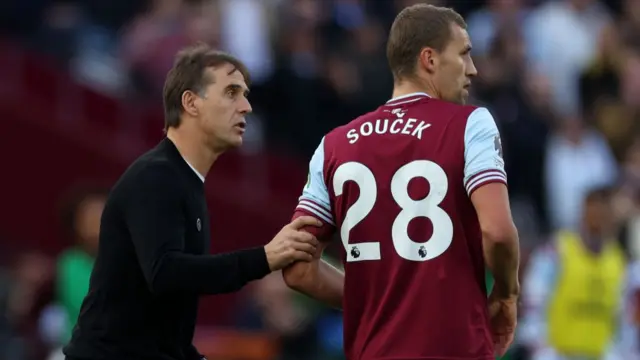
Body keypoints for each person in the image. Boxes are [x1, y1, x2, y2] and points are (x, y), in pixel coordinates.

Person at [282, 4, 520, 360]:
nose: (473, 69)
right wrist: (505, 294)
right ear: (430, 60)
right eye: (465, 54)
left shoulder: (333, 145)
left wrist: (377, 300)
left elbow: (298, 268)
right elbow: (498, 232)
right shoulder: (471, 124)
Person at [63, 44, 321, 360]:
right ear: (191, 102)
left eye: (244, 94)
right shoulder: (157, 176)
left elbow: (162, 317)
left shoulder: (183, 181)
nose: (246, 107)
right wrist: (264, 258)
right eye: (231, 92)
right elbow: (166, 273)